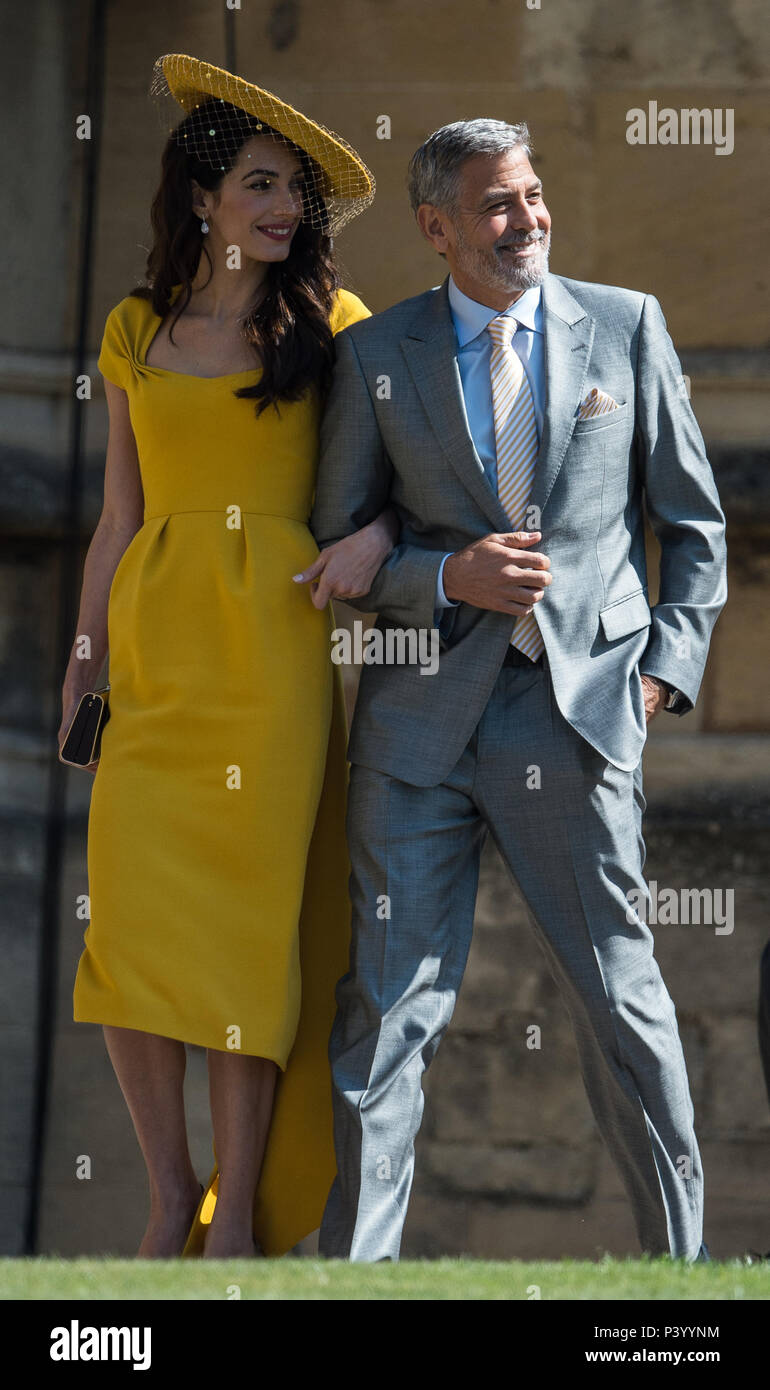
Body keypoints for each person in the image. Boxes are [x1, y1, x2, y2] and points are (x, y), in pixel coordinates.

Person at [309, 118, 727, 1262]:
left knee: (619, 1007)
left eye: (532, 195)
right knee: (385, 1014)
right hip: (417, 728)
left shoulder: (626, 324)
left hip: (583, 717)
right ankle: (351, 1283)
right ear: (435, 227)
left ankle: (678, 1281)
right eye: (495, 204)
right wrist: (444, 571)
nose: (525, 220)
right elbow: (336, 548)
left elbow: (692, 528)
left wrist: (657, 680)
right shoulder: (376, 356)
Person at [60, 53, 394, 1259]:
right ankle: (167, 1201)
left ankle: (239, 1218)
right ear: (202, 196)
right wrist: (83, 663)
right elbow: (116, 516)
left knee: (246, 937)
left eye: (293, 190)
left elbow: (406, 485)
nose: (283, 209)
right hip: (153, 658)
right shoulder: (134, 327)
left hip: (271, 658)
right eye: (260, 183)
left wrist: (372, 538)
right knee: (135, 933)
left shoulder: (337, 327)